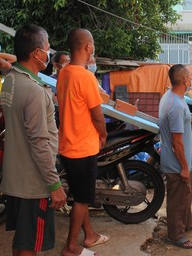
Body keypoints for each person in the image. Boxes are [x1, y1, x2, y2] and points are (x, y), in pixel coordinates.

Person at [0, 23, 67, 256]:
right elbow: (39, 143)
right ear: (36, 53)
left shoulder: (11, 80)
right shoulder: (34, 91)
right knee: (31, 245)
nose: (49, 53)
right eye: (47, 49)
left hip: (15, 178)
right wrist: (54, 184)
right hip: (33, 183)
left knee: (23, 240)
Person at [57, 28, 109, 256]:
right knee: (81, 199)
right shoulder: (86, 76)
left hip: (67, 146)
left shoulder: (64, 72)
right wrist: (104, 135)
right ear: (88, 46)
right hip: (83, 147)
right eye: (93, 44)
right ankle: (71, 246)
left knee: (81, 196)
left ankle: (89, 235)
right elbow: (98, 115)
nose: (94, 48)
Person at [159, 64, 192, 249]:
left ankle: (189, 221)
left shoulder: (171, 96)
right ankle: (176, 235)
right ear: (184, 81)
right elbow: (177, 142)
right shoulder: (175, 105)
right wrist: (184, 167)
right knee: (178, 198)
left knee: (186, 193)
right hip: (176, 162)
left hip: (178, 159)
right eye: (190, 77)